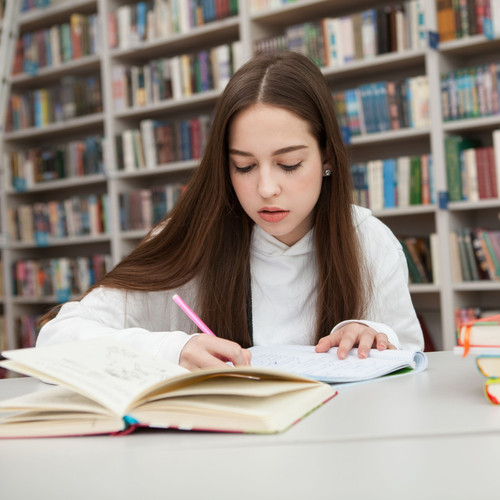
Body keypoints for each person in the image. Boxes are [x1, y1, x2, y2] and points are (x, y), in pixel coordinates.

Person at [37, 51, 424, 369]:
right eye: (244, 166)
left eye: (289, 164)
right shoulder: (189, 243)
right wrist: (172, 350)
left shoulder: (369, 241)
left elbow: (411, 363)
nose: (266, 188)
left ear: (326, 156)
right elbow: (56, 339)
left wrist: (375, 336)